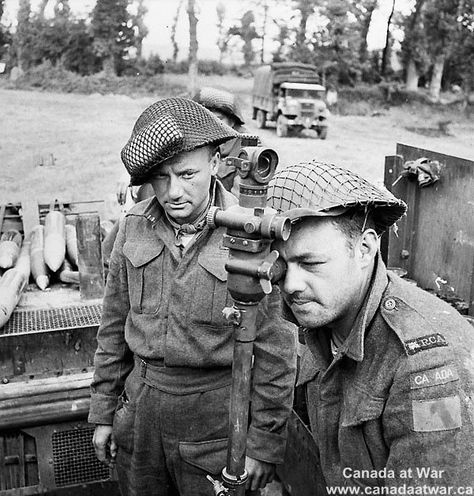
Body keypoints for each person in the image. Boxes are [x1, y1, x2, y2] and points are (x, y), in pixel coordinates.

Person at [89, 97, 297, 496]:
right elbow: (114, 326)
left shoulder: (250, 230)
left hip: (215, 424)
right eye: (161, 178)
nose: (174, 192)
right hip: (140, 414)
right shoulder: (133, 226)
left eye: (187, 174)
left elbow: (275, 349)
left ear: (216, 164)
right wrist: (103, 411)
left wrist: (264, 444)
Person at [267, 161, 474, 490]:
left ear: (364, 248)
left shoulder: (426, 362)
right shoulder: (321, 316)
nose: (291, 284)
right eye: (282, 264)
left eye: (310, 263)